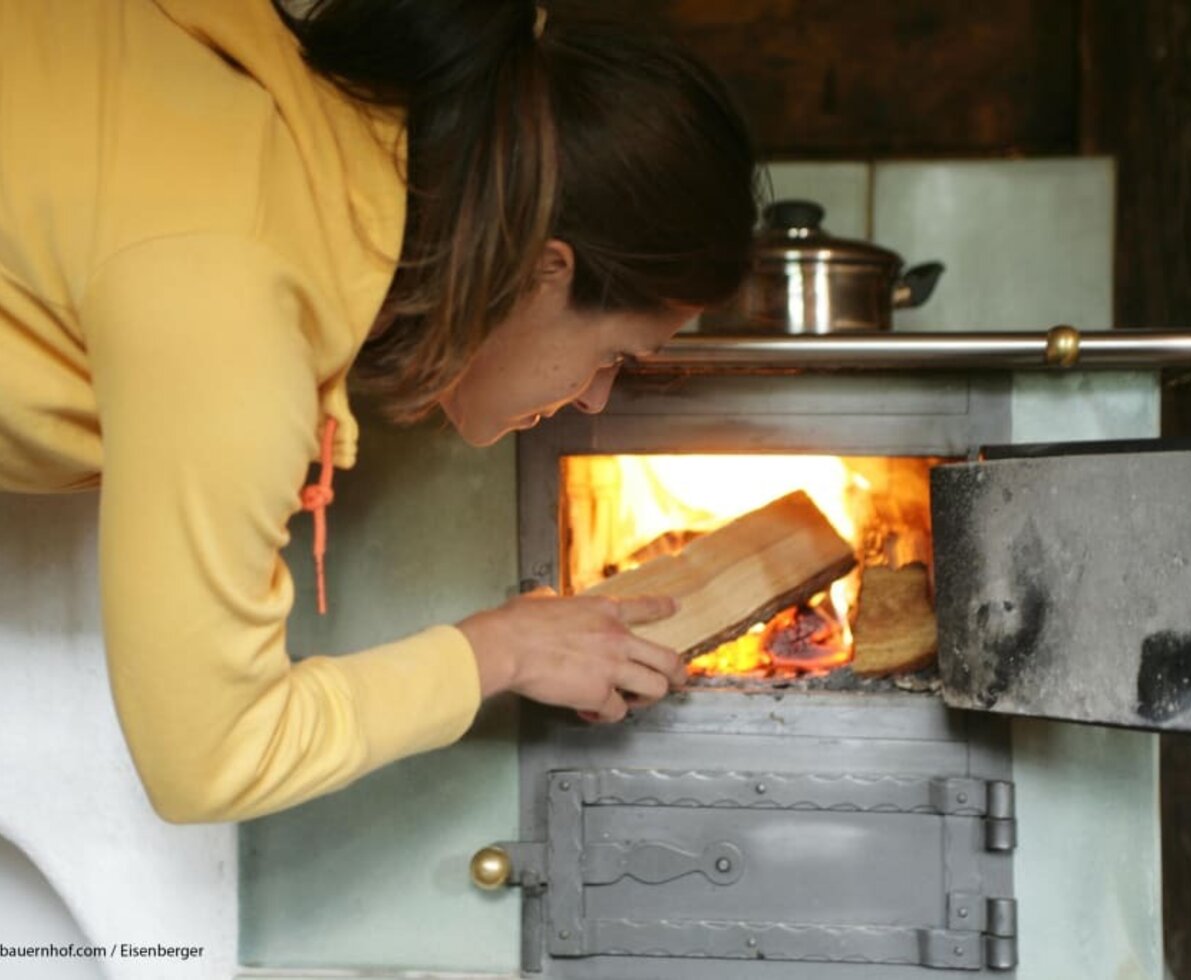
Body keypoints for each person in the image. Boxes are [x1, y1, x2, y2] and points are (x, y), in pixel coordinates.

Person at [0, 0, 757, 823]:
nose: (595, 397)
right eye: (613, 357)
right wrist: (500, 649)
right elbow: (210, 761)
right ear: (546, 270)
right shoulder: (237, 300)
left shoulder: (297, 151)